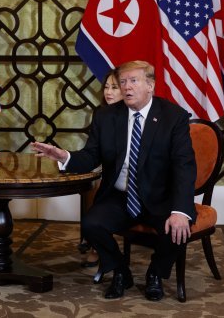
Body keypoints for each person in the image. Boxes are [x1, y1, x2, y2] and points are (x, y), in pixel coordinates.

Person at [32, 60, 196, 300]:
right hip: (120, 196)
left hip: (160, 196)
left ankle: (155, 273)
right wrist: (64, 156)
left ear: (150, 85)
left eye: (133, 81)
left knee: (179, 228)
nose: (126, 87)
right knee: (92, 224)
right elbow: (91, 156)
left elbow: (184, 166)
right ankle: (120, 270)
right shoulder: (106, 116)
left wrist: (180, 210)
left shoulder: (173, 117)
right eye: (123, 82)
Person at [80, 68, 123, 271]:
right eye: (106, 87)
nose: (109, 92)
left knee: (102, 188)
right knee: (93, 187)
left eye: (114, 87)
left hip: (127, 172)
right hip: (104, 166)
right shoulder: (101, 113)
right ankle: (95, 242)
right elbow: (93, 150)